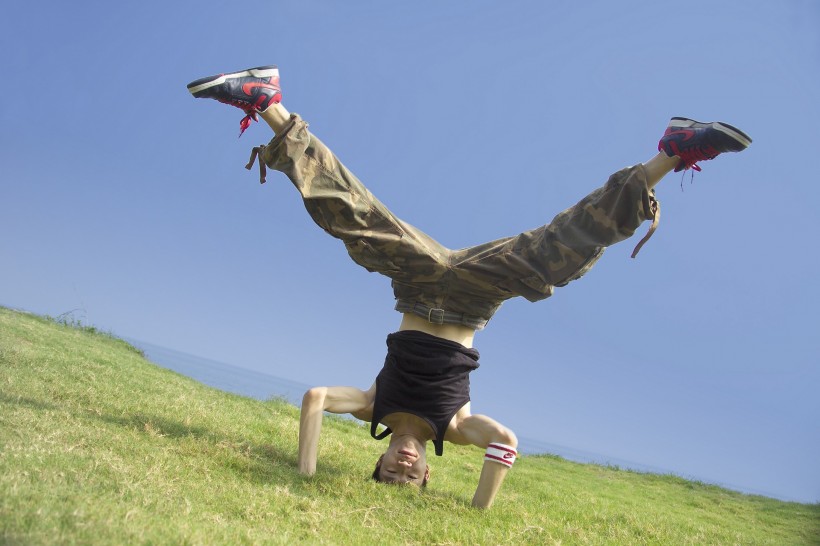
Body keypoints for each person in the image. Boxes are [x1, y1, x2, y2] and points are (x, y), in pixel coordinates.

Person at [187, 65, 751, 508]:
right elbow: (504, 441)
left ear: (380, 462)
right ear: (430, 470)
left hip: (416, 279)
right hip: (477, 295)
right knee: (559, 248)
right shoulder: (454, 429)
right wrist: (479, 512)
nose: (404, 468)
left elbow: (314, 400)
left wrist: (305, 474)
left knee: (354, 217)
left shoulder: (371, 408)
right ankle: (672, 153)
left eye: (391, 474)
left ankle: (268, 102)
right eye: (414, 478)